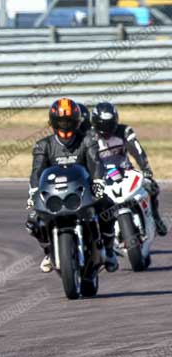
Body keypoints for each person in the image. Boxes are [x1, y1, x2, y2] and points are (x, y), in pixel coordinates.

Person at [26, 97, 118, 273]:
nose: (65, 125)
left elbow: (95, 162)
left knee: (108, 207)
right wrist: (34, 192)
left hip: (84, 192)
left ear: (76, 122)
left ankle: (109, 249)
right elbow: (37, 171)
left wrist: (98, 182)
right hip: (54, 195)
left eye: (68, 121)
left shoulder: (87, 141)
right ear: (53, 122)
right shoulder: (43, 145)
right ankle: (49, 251)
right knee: (33, 221)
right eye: (61, 121)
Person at [87, 102, 167, 236]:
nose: (107, 129)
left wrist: (146, 169)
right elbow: (89, 159)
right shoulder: (89, 137)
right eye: (103, 125)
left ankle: (156, 217)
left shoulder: (124, 131)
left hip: (125, 171)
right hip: (101, 176)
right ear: (95, 123)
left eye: (110, 124)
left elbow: (138, 151)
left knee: (152, 187)